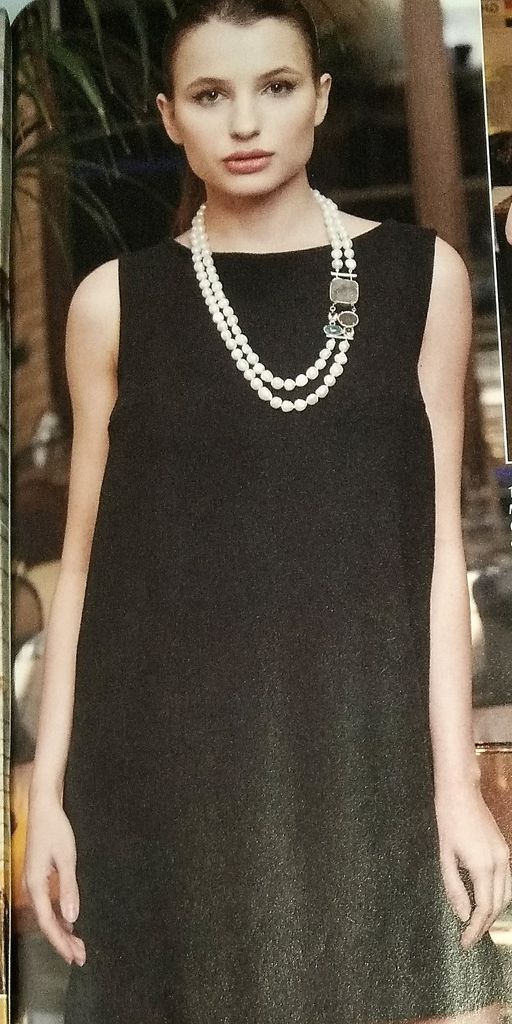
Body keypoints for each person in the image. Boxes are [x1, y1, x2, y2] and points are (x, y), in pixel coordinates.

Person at [23, 2, 512, 1022]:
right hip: (169, 777)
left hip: (368, 756)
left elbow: (432, 555)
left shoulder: (421, 277)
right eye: (210, 94)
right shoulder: (112, 304)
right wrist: (50, 796)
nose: (244, 122)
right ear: (169, 116)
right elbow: (84, 571)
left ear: (320, 99)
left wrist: (456, 786)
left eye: (276, 86)